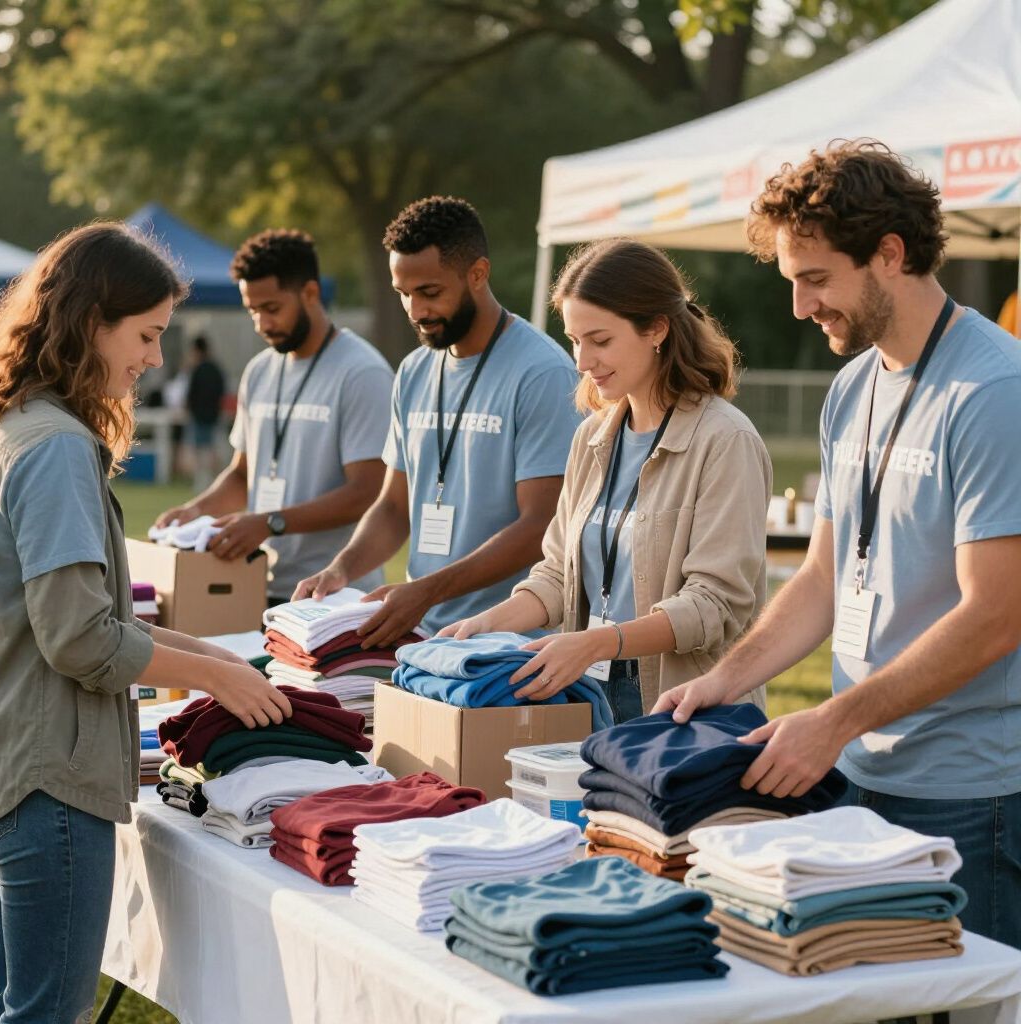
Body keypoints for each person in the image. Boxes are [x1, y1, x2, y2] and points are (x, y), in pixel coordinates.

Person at [654, 140, 1021, 948]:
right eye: (791, 281)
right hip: (858, 771)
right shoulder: (852, 387)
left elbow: (996, 614)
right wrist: (728, 677)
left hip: (972, 795)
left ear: (889, 255)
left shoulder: (995, 390)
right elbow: (824, 574)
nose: (798, 306)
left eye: (814, 279)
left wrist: (833, 720)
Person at [0, 223, 291, 1022]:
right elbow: (79, 639)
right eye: (148, 334)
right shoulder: (55, 447)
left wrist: (216, 651)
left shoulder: (21, 425)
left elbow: (81, 616)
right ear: (93, 321)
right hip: (48, 784)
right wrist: (218, 676)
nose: (157, 358)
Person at [439, 239, 771, 723]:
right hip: (590, 696)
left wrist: (597, 643)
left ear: (657, 329)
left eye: (600, 340)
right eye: (574, 340)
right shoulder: (592, 436)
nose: (581, 361)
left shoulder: (725, 439)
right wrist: (482, 627)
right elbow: (558, 574)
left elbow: (715, 606)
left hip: (685, 713)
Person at [293, 196, 581, 644]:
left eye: (429, 292)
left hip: (509, 640)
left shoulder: (542, 372)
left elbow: (541, 525)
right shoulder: (413, 371)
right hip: (422, 633)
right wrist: (341, 570)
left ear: (478, 274)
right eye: (403, 294)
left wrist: (426, 592)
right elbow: (393, 508)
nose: (415, 311)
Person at [155, 229, 394, 604]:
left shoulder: (362, 373)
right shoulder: (260, 371)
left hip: (333, 595)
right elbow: (241, 475)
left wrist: (271, 522)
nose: (262, 324)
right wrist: (194, 511)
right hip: (257, 585)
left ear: (311, 293)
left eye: (272, 309)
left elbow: (367, 492)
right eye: (253, 310)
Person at [185, 333, 226, 490]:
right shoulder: (216, 369)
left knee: (201, 452)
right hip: (215, 416)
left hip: (199, 417)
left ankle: (202, 482)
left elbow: (191, 395)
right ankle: (214, 482)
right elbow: (222, 393)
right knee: (212, 451)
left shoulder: (196, 370)